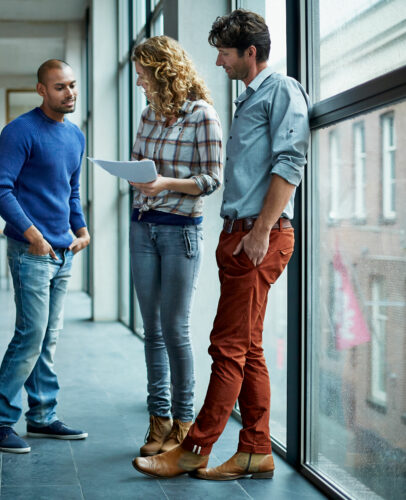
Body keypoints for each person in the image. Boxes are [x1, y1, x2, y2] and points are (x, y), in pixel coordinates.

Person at [132, 9, 310, 480]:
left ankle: (195, 447)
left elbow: (291, 163)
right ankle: (254, 451)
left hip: (260, 235)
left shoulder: (282, 90)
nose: (218, 62)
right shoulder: (248, 99)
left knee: (225, 346)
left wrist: (259, 232)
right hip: (239, 234)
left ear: (250, 53)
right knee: (248, 348)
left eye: (225, 53)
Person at [0, 60, 91, 453]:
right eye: (60, 87)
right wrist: (33, 235)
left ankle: (43, 417)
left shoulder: (76, 136)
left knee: (48, 338)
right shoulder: (20, 132)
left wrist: (81, 229)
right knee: (31, 336)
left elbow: (70, 191)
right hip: (32, 251)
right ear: (41, 90)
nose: (70, 93)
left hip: (64, 252)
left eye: (73, 86)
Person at [128, 36, 223, 458]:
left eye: (143, 74)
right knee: (152, 331)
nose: (138, 82)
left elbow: (211, 178)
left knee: (176, 330)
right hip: (142, 227)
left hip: (181, 229)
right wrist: (136, 176)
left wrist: (165, 182)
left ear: (163, 71)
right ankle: (158, 420)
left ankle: (184, 426)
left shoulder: (202, 116)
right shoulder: (148, 115)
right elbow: (139, 166)